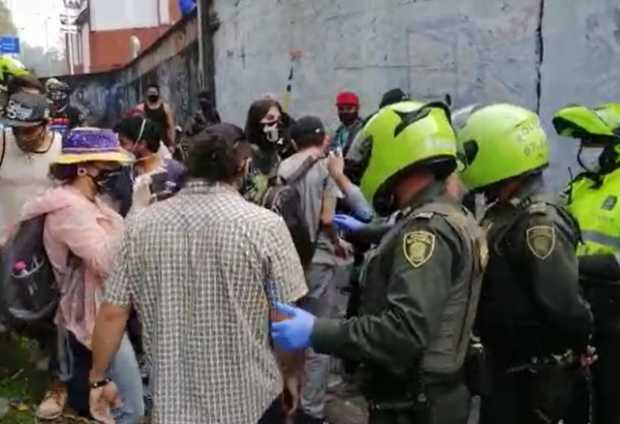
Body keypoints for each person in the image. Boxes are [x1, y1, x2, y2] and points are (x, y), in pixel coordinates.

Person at [271, 101, 487, 424]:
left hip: (415, 404)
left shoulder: (425, 231)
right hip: (431, 396)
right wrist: (371, 233)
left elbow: (403, 331)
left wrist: (319, 331)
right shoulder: (449, 213)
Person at [88, 123, 309, 424]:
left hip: (173, 407)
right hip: (252, 403)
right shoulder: (265, 226)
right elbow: (285, 318)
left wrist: (98, 379)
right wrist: (292, 378)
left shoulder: (141, 225)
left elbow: (112, 312)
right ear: (243, 166)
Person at [456, 104, 593, 424]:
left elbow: (562, 303)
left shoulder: (537, 221)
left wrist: (580, 345)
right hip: (504, 369)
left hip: (532, 381)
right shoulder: (502, 210)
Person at [17, 128, 143, 422]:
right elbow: (106, 262)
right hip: (93, 319)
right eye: (108, 167)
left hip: (105, 310)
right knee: (130, 409)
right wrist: (137, 210)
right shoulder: (69, 211)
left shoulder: (91, 203)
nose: (115, 173)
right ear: (83, 168)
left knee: (112, 405)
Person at [278, 116, 355, 424]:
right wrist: (338, 242)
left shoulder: (282, 168)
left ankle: (288, 401)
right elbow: (327, 219)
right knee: (318, 336)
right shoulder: (325, 168)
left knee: (287, 335)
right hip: (319, 261)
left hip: (287, 261)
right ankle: (312, 411)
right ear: (322, 138)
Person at [553, 102, 620, 424]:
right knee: (574, 403)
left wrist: (573, 265)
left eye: (593, 142)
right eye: (583, 142)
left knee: (611, 401)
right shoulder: (579, 186)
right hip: (579, 307)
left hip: (615, 311)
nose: (584, 150)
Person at [0, 92, 62, 241]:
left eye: (28, 131)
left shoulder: (61, 147)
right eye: (16, 130)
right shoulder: (3, 143)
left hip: (45, 243)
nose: (21, 137)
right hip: (4, 241)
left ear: (46, 124)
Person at [116, 116, 186, 212]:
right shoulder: (124, 172)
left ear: (142, 144)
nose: (119, 148)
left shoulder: (174, 172)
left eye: (123, 143)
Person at [243, 98, 292, 203]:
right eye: (270, 118)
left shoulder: (276, 156)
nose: (277, 124)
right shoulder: (245, 158)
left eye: (279, 119)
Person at [136, 84, 176, 153]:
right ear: (146, 94)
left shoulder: (165, 108)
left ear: (158, 94)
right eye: (150, 93)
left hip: (163, 142)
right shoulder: (141, 108)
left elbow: (171, 127)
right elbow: (137, 127)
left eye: (154, 93)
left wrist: (171, 144)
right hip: (147, 144)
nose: (152, 94)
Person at [331, 91, 363, 155]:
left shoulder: (362, 130)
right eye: (341, 109)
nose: (345, 112)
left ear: (357, 109)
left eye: (349, 109)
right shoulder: (339, 132)